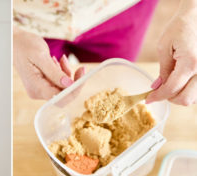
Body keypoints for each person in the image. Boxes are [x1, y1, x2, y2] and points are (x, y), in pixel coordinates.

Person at [14, 0, 197, 106]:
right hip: (25, 21)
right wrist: (9, 31)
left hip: (120, 10)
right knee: (48, 94)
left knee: (116, 80)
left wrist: (192, 14)